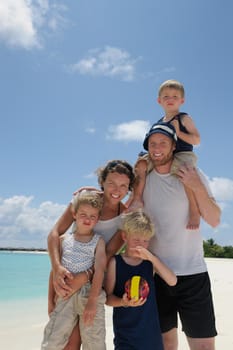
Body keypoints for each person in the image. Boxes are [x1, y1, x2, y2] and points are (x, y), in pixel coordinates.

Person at [137, 121, 220, 350]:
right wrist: (91, 191)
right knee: (165, 344)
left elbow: (214, 220)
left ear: (173, 146)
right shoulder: (143, 177)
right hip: (156, 275)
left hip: (193, 274)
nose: (157, 147)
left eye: (163, 142)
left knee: (204, 347)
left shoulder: (191, 173)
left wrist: (197, 186)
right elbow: (119, 196)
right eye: (152, 143)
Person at [47, 160, 135, 350]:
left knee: (87, 340)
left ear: (129, 188)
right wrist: (56, 268)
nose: (116, 190)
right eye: (111, 183)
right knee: (67, 343)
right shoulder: (84, 201)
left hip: (92, 284)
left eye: (123, 186)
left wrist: (84, 277)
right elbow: (55, 234)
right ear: (102, 181)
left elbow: (109, 254)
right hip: (66, 275)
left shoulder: (125, 217)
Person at [131, 79, 201, 229]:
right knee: (141, 164)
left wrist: (179, 132)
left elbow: (196, 140)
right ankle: (136, 200)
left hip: (182, 153)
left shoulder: (184, 118)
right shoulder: (160, 122)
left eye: (175, 97)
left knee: (184, 172)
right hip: (163, 154)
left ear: (182, 100)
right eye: (166, 96)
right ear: (159, 101)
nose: (170, 100)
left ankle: (194, 211)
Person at [41, 191, 106, 350]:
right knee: (53, 340)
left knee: (94, 340)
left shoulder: (98, 241)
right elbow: (54, 272)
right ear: (74, 214)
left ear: (97, 219)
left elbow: (99, 271)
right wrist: (50, 301)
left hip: (88, 293)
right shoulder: (64, 240)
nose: (87, 219)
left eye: (92, 216)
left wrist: (92, 301)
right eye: (83, 214)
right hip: (64, 295)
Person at [105, 209, 177, 350]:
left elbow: (172, 280)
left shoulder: (149, 263)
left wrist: (151, 257)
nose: (141, 245)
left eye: (145, 241)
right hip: (125, 335)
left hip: (151, 335)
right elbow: (107, 298)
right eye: (136, 240)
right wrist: (122, 302)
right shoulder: (115, 262)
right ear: (124, 236)